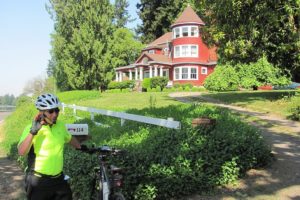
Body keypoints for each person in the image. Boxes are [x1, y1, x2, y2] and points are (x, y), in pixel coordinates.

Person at [18, 93, 82, 200]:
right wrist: (33, 132)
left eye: (57, 110)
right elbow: (21, 151)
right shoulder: (30, 128)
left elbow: (69, 138)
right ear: (41, 113)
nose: (55, 114)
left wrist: (81, 147)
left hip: (59, 180)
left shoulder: (60, 125)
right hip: (38, 182)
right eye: (51, 111)